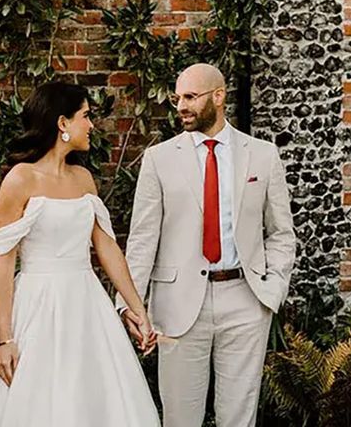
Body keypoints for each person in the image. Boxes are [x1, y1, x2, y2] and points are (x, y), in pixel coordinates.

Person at [0, 80, 160, 427]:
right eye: (85, 116)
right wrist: (6, 339)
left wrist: (137, 308)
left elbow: (107, 248)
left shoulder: (83, 179)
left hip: (87, 307)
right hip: (37, 308)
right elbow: (4, 266)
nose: (91, 124)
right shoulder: (19, 180)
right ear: (62, 123)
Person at [117, 62, 296, 427]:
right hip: (178, 306)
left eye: (190, 97)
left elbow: (280, 232)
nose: (181, 105)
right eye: (177, 97)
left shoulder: (262, 154)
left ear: (218, 96)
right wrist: (130, 305)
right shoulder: (159, 159)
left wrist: (272, 290)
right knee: (180, 418)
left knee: (239, 418)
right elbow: (142, 239)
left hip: (246, 300)